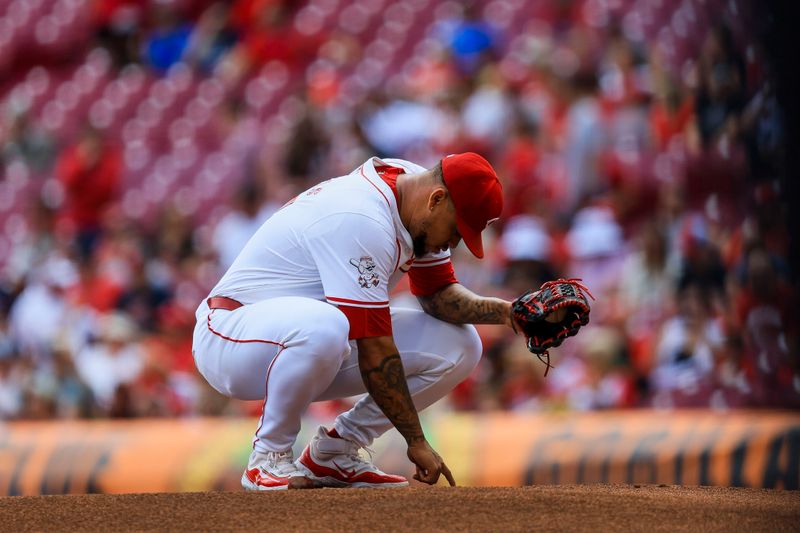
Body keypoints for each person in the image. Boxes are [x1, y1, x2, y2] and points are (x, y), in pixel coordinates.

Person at [192, 152, 513, 491]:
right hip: (230, 336)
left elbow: (438, 296)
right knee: (328, 327)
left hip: (309, 346)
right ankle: (268, 457)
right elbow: (375, 348)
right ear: (437, 199)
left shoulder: (414, 191)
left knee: (461, 345)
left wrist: (510, 314)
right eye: (457, 229)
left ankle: (335, 451)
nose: (454, 242)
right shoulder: (362, 217)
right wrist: (415, 440)